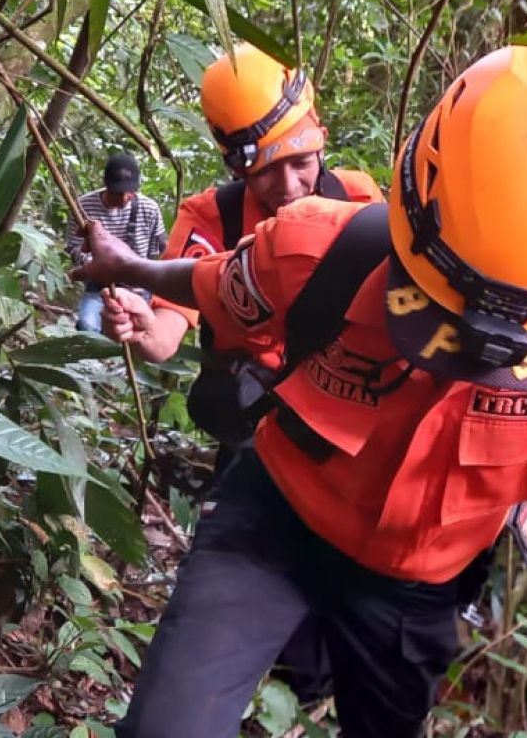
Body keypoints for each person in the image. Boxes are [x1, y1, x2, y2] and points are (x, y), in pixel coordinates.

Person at [76, 46, 527, 738]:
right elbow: (213, 284)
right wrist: (134, 271)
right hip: (274, 527)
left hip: (416, 588)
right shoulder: (318, 245)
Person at [99, 45, 382, 704]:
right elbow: (169, 330)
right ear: (235, 165)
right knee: (256, 549)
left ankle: (308, 678)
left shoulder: (360, 200)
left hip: (342, 409)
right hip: (253, 409)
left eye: (300, 164)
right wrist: (142, 329)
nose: (289, 188)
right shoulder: (213, 219)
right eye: (267, 175)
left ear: (321, 143)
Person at [63, 151, 165, 332]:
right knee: (87, 325)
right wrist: (93, 264)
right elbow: (73, 246)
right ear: (107, 186)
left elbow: (155, 251)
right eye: (119, 192)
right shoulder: (83, 207)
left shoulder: (149, 209)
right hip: (99, 287)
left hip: (138, 287)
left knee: (137, 332)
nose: (125, 197)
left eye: (130, 192)